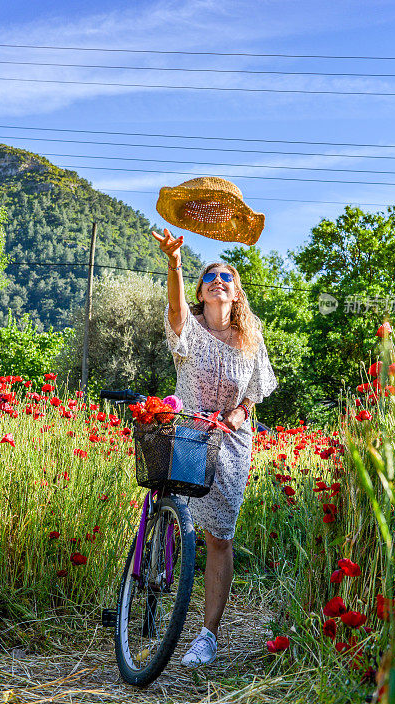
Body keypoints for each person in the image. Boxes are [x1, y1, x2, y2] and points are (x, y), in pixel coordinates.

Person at [151, 226, 277, 668]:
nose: (218, 280)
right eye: (210, 277)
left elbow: (254, 394)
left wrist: (239, 415)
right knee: (178, 513)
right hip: (188, 431)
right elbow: (173, 305)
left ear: (236, 293)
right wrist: (175, 261)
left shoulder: (250, 340)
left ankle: (208, 636)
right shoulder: (189, 329)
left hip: (232, 442)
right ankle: (154, 572)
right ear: (201, 293)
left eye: (227, 276)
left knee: (219, 537)